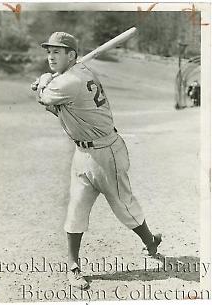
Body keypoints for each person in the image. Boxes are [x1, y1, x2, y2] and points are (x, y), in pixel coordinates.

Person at [32, 32, 162, 289]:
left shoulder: (71, 80)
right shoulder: (75, 75)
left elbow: (45, 98)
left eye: (57, 52)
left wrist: (44, 82)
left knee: (123, 206)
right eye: (49, 52)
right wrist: (47, 86)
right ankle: (73, 265)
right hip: (82, 152)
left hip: (107, 152)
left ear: (71, 55)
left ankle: (150, 242)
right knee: (76, 207)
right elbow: (56, 107)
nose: (50, 56)